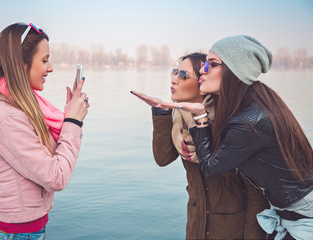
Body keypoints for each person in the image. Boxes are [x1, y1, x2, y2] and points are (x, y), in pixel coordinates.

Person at [162, 36, 313, 239]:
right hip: (290, 209)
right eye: (205, 63)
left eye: (212, 64)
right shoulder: (255, 104)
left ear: (235, 72)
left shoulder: (248, 121)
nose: (203, 70)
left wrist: (200, 117)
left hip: (303, 214)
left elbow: (209, 167)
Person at [131, 53, 269, 239]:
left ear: (202, 83)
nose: (173, 80)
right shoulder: (179, 119)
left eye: (183, 75)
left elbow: (256, 191)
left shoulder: (230, 122)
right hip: (197, 226)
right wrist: (161, 112)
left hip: (232, 229)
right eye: (174, 72)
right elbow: (163, 158)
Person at [0, 23, 89, 239]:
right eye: (44, 60)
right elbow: (56, 176)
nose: (50, 67)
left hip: (26, 232)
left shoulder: (24, 107)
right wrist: (72, 122)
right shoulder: (7, 117)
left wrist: (71, 120)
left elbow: (45, 159)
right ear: (21, 62)